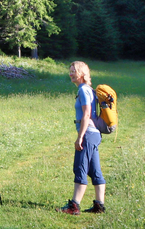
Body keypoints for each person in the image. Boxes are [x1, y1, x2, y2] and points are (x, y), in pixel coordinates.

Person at [58, 61, 106, 215]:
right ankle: (99, 206)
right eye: (70, 71)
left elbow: (86, 114)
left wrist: (80, 137)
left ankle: (74, 206)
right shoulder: (87, 89)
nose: (71, 74)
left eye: (74, 71)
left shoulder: (84, 90)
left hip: (88, 134)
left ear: (82, 73)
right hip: (93, 134)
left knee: (80, 168)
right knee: (94, 171)